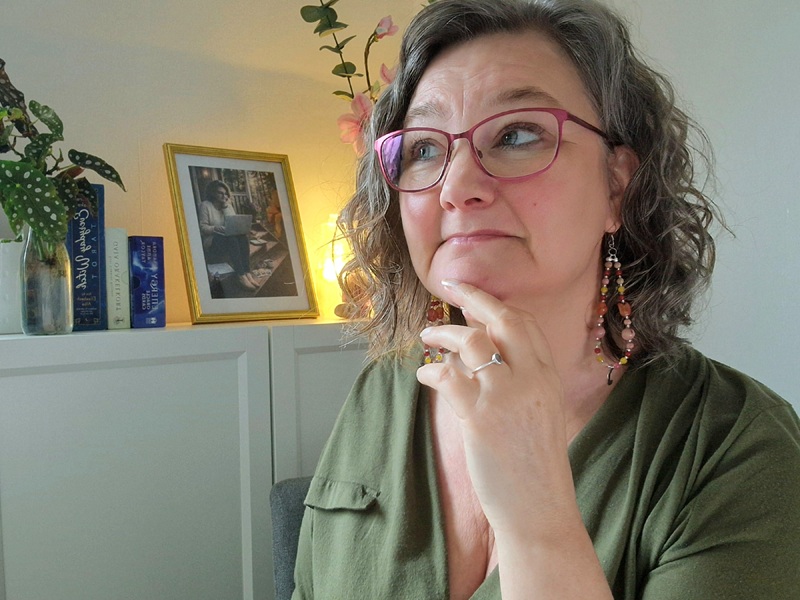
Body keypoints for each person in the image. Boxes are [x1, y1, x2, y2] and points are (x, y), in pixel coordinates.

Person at [291, 0, 800, 598]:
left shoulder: (737, 449)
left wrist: (536, 516)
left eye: (517, 135)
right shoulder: (383, 387)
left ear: (617, 186)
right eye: (424, 148)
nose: (456, 186)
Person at [197, 179, 258, 292]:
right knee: (232, 238)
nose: (224, 196)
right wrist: (215, 228)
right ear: (213, 193)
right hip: (212, 241)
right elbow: (202, 228)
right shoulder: (205, 205)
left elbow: (233, 224)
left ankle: (247, 272)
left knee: (242, 237)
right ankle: (240, 275)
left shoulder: (227, 206)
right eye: (220, 193)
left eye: (225, 194)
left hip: (228, 238)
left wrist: (225, 207)